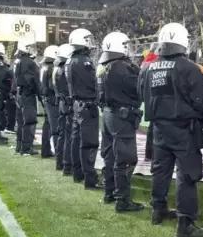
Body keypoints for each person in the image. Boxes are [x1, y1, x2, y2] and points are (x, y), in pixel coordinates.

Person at [139, 22, 203, 237]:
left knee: (160, 171)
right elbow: (202, 102)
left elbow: (142, 95)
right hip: (183, 129)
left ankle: (157, 210)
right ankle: (185, 224)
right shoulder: (189, 68)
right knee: (187, 175)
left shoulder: (148, 68)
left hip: (158, 129)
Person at [98, 31, 144, 212]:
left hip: (108, 114)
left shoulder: (103, 66)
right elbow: (138, 89)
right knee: (125, 159)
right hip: (121, 117)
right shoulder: (122, 67)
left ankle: (109, 192)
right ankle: (122, 200)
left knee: (110, 156)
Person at [66, 28, 100, 188]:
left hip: (77, 104)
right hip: (87, 105)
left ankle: (77, 172)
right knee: (89, 143)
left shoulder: (70, 60)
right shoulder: (84, 61)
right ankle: (90, 178)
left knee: (76, 140)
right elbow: (93, 83)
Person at [13, 37, 40, 156]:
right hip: (27, 94)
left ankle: (19, 145)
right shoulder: (29, 62)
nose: (33, 50)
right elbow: (34, 81)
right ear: (26, 48)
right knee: (29, 122)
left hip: (19, 94)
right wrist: (40, 94)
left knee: (20, 121)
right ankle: (27, 147)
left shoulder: (17, 60)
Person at [53, 44, 73, 175]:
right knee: (69, 136)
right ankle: (67, 164)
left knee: (62, 135)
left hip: (61, 102)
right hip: (67, 104)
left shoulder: (57, 69)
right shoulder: (65, 69)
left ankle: (59, 162)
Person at [40, 45, 59, 158]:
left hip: (47, 100)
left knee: (47, 126)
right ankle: (59, 153)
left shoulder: (44, 67)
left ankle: (45, 150)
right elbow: (53, 86)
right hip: (52, 101)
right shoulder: (52, 68)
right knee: (56, 128)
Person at [141, 42, 158, 161]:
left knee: (151, 128)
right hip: (157, 97)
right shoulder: (155, 62)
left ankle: (149, 154)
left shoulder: (145, 63)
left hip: (148, 98)